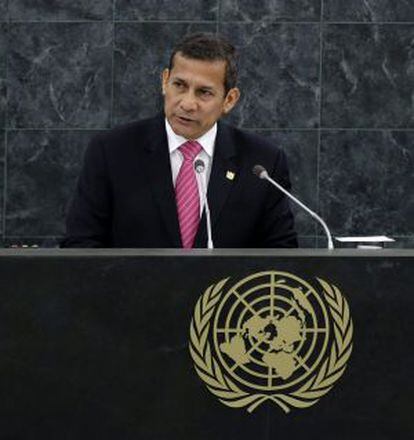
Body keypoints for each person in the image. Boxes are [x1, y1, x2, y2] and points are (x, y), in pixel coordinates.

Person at [61, 33, 297, 248]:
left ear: (229, 99)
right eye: (179, 85)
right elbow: (80, 245)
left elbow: (281, 255)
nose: (187, 103)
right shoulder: (112, 151)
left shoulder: (262, 163)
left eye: (204, 92)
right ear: (165, 81)